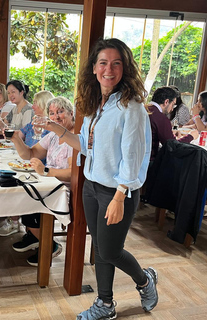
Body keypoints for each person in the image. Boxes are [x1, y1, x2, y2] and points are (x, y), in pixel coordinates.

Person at [40, 38, 158, 319]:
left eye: (116, 63)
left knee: (110, 250)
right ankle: (105, 304)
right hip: (92, 187)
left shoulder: (132, 108)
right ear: (94, 68)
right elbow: (86, 144)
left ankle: (144, 280)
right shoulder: (98, 104)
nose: (109, 69)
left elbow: (132, 158)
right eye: (103, 63)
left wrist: (119, 196)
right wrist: (57, 129)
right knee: (102, 249)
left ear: (124, 68)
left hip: (117, 191)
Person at [8, 96, 74, 266]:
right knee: (21, 192)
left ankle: (49, 246)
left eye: (60, 112)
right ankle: (34, 236)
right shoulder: (53, 135)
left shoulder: (74, 138)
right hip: (48, 184)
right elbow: (30, 154)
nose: (56, 116)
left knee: (29, 200)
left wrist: (46, 171)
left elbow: (72, 174)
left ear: (71, 113)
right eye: (52, 113)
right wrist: (16, 139)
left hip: (64, 190)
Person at [0, 90, 55, 237]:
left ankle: (19, 223)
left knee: (13, 183)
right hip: (27, 164)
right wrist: (10, 134)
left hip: (41, 170)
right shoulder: (33, 122)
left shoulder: (51, 128)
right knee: (4, 177)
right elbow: (19, 135)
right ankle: (16, 221)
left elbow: (42, 156)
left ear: (43, 105)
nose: (33, 106)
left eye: (35, 103)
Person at [147, 86, 199, 161]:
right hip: (150, 160)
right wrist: (191, 136)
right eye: (173, 104)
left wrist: (169, 132)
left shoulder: (145, 109)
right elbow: (173, 147)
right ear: (166, 102)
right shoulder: (161, 118)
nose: (172, 109)